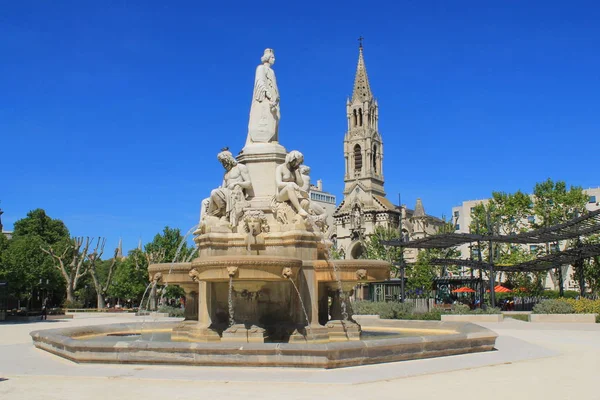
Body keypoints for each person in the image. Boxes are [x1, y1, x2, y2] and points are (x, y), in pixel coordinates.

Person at [206, 149, 252, 226]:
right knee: (204, 202)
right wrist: (220, 188)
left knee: (214, 192)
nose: (224, 165)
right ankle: (206, 219)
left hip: (236, 193)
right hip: (227, 193)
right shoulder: (226, 173)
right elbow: (223, 187)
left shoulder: (240, 167)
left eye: (225, 162)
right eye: (222, 163)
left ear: (229, 159)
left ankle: (222, 214)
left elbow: (249, 184)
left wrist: (236, 183)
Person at [247, 48, 280, 144]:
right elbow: (260, 82)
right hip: (264, 99)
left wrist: (276, 98)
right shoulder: (260, 68)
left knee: (275, 118)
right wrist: (268, 95)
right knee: (264, 116)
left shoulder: (272, 72)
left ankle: (273, 139)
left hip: (274, 102)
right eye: (272, 57)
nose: (274, 59)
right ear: (268, 58)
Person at [275, 150, 308, 217]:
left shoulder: (295, 170)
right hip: (281, 194)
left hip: (293, 194)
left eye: (299, 163)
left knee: (306, 202)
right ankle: (299, 209)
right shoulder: (280, 168)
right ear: (292, 160)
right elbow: (278, 184)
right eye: (297, 162)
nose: (297, 164)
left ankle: (299, 219)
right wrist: (291, 184)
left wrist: (297, 173)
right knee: (289, 186)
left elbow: (301, 184)